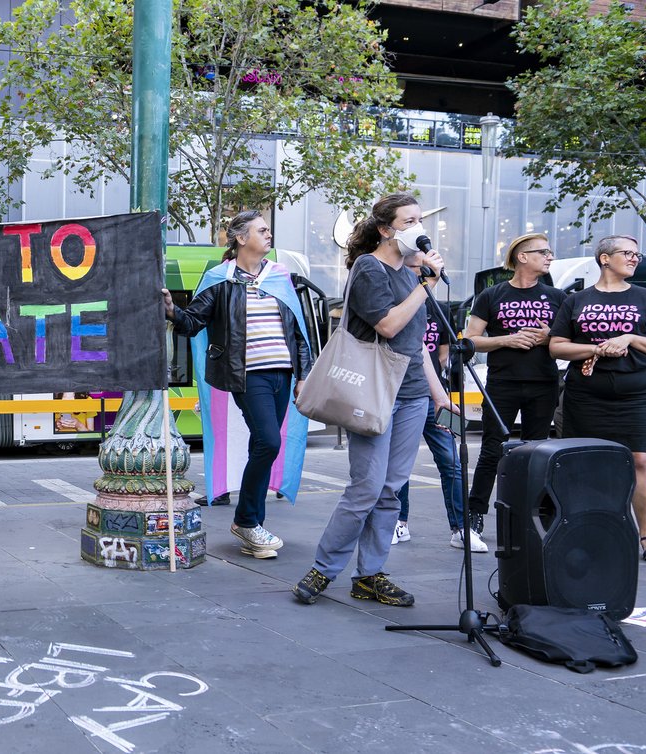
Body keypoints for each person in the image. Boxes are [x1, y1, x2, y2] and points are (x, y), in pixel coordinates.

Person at [293, 192, 455, 606]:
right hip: (374, 390)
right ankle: (324, 568)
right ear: (386, 230)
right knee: (365, 487)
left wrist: (439, 394)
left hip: (413, 393)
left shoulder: (412, 273)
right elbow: (387, 325)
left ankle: (370, 574)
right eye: (410, 221)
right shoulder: (370, 268)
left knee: (390, 489)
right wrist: (427, 286)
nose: (420, 228)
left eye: (421, 219)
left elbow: (416, 343)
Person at [163, 210, 313, 558]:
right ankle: (246, 520)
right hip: (248, 375)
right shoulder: (220, 279)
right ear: (241, 238)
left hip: (283, 373)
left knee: (264, 446)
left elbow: (298, 333)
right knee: (269, 442)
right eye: (262, 230)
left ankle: (252, 526)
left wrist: (304, 375)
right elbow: (192, 323)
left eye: (268, 229)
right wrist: (172, 311)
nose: (268, 234)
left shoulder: (279, 277)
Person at [549, 235, 646, 562]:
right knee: (587, 462)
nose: (634, 259)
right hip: (588, 393)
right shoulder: (576, 301)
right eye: (627, 253)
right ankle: (590, 531)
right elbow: (556, 346)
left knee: (642, 460)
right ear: (605, 258)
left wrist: (630, 337)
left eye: (637, 255)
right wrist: (597, 347)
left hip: (640, 391)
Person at [463, 233, 564, 536]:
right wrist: (508, 339)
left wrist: (549, 336)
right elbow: (470, 340)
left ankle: (531, 517)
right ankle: (474, 517)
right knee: (492, 450)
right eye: (543, 252)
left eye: (550, 252)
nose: (550, 257)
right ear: (522, 257)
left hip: (543, 383)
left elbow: (569, 339)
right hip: (502, 384)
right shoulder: (492, 296)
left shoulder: (557, 297)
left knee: (536, 452)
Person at [391, 293, 484, 553]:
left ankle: (461, 529)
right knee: (400, 463)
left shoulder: (438, 307)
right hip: (401, 392)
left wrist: (438, 390)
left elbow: (444, 354)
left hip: (435, 395)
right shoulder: (398, 301)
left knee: (452, 461)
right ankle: (399, 521)